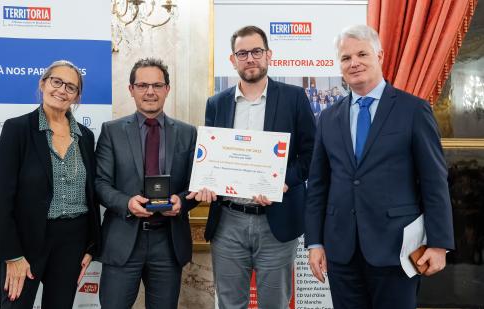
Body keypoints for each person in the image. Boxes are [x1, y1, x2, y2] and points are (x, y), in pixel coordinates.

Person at [304, 24, 455, 309]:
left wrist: (439, 243)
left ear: (380, 56)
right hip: (341, 250)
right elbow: (319, 185)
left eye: (362, 54)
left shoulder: (414, 110)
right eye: (346, 58)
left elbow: (435, 181)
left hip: (396, 248)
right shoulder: (327, 118)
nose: (354, 63)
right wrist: (314, 243)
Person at [191, 25, 316, 308]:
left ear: (269, 55)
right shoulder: (217, 103)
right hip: (228, 222)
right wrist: (207, 180)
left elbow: (311, 154)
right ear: (233, 60)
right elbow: (211, 154)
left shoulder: (294, 98)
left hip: (277, 222)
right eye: (242, 53)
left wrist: (283, 181)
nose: (250, 58)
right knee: (229, 304)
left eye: (256, 51)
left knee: (275, 304)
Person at [0, 60, 101, 309]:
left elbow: (91, 195)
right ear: (43, 84)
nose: (62, 90)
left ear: (77, 96)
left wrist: (92, 245)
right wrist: (12, 254)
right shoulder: (17, 129)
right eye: (56, 81)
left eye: (70, 87)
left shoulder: (86, 136)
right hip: (25, 242)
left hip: (73, 240)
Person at [95, 58, 198, 309]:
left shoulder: (188, 133)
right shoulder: (112, 131)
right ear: (131, 89)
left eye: (157, 85)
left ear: (167, 89)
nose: (150, 92)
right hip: (123, 241)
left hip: (168, 241)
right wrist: (127, 203)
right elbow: (100, 183)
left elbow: (197, 184)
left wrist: (181, 201)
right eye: (142, 85)